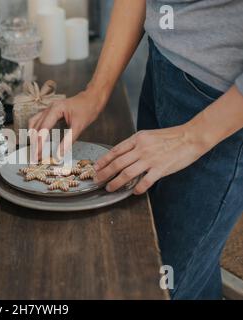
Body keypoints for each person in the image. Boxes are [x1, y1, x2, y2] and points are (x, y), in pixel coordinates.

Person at [28, 0, 243, 299]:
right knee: (183, 263)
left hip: (221, 111)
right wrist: (95, 92)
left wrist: (191, 137)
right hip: (161, 69)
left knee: (164, 280)